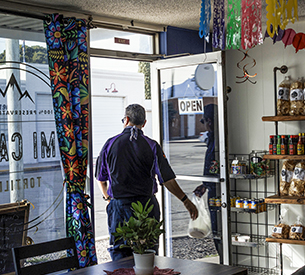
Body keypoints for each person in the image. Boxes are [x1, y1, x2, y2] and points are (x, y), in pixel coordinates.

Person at [96, 104, 198, 263]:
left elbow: (101, 180)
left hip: (119, 207)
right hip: (146, 206)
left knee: (119, 253)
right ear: (144, 123)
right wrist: (186, 201)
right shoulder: (151, 145)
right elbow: (167, 179)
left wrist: (109, 200)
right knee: (147, 253)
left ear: (126, 119)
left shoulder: (110, 144)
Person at [192, 104, 223, 261]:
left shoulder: (219, 138)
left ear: (210, 121)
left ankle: (225, 260)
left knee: (219, 229)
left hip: (219, 191)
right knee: (217, 229)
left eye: (205, 121)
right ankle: (223, 260)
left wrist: (208, 183)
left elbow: (215, 164)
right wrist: (205, 184)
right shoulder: (212, 138)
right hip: (212, 189)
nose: (206, 124)